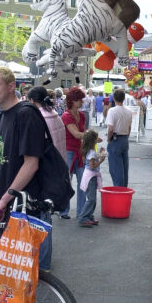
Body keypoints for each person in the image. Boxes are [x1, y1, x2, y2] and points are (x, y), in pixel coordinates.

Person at [0, 66, 52, 272]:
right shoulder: (0, 115)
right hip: (2, 203)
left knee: (21, 276)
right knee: (3, 273)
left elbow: (31, 163)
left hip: (23, 205)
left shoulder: (26, 114)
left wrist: (4, 199)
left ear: (11, 86)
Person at [60, 86, 86, 219]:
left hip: (79, 151)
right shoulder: (66, 116)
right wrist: (90, 136)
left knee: (83, 182)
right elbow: (76, 134)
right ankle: (63, 210)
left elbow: (80, 134)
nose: (82, 101)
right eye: (80, 99)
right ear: (73, 100)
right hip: (69, 151)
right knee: (66, 181)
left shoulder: (81, 115)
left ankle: (81, 212)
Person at [27, 86, 67, 161]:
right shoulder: (56, 115)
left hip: (48, 166)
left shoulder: (38, 118)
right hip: (60, 163)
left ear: (32, 101)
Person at [78, 129, 106, 228]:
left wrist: (99, 153)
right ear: (93, 141)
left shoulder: (89, 151)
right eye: (96, 139)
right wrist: (101, 160)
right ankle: (83, 217)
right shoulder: (91, 152)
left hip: (89, 177)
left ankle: (89, 216)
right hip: (91, 177)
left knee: (92, 199)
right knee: (91, 199)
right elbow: (92, 166)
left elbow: (92, 160)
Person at [106, 89, 132, 187]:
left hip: (116, 138)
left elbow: (111, 128)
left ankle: (118, 190)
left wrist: (109, 139)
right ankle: (124, 189)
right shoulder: (129, 111)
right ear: (124, 98)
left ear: (114, 98)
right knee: (124, 167)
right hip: (124, 138)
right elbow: (129, 127)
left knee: (115, 168)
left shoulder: (112, 111)